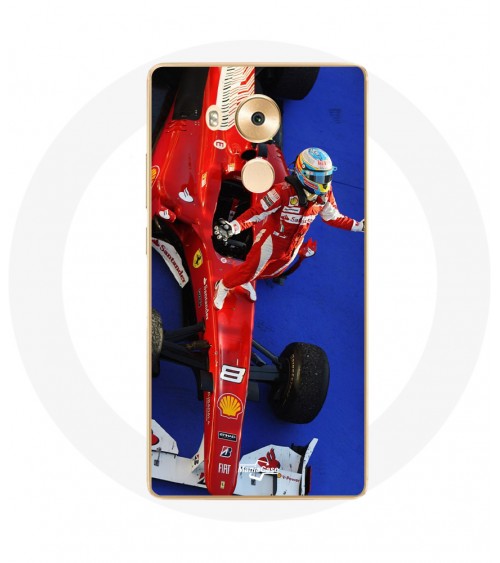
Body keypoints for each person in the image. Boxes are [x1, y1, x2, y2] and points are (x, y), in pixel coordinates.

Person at [213, 147, 364, 309]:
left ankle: (245, 280)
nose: (324, 182)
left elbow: (333, 217)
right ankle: (223, 285)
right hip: (270, 243)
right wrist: (233, 227)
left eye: (327, 176)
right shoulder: (281, 192)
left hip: (293, 246)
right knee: (249, 270)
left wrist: (359, 226)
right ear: (304, 174)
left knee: (273, 272)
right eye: (319, 177)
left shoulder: (325, 194)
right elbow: (257, 212)